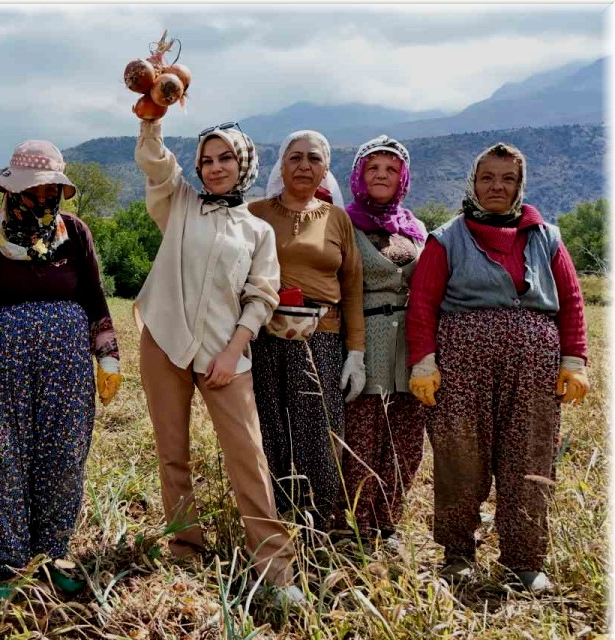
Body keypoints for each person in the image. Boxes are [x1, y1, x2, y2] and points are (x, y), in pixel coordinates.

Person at [133, 117, 303, 607]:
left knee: (247, 455)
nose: (215, 168)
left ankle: (275, 569)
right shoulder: (179, 203)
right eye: (206, 160)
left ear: (243, 162)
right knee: (172, 453)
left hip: (224, 354)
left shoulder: (257, 231)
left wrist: (233, 351)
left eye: (226, 157)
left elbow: (262, 296)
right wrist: (151, 121)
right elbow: (156, 163)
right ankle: (185, 549)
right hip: (164, 342)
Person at [405, 142, 588, 593]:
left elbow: (571, 300)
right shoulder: (446, 238)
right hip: (461, 365)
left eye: (507, 179)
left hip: (534, 368)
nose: (496, 187)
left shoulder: (546, 236)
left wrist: (574, 360)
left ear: (520, 185)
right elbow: (423, 304)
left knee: (529, 455)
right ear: (473, 182)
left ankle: (523, 560)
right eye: (487, 178)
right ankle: (457, 555)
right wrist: (423, 362)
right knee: (459, 455)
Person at [0, 140, 120, 595]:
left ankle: (53, 554)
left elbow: (94, 296)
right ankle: (10, 563)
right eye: (34, 189)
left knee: (64, 453)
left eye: (51, 189)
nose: (43, 197)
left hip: (66, 365)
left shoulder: (74, 232)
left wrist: (108, 357)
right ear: (12, 189)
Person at [247, 130, 365, 535]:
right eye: (294, 157)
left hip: (322, 339)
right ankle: (273, 523)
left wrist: (355, 352)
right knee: (269, 428)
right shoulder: (255, 213)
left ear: (325, 168)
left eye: (313, 158)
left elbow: (352, 286)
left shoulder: (338, 219)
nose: (303, 165)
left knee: (318, 433)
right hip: (263, 336)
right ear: (281, 166)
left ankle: (317, 527)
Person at [335, 135, 427, 548]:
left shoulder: (415, 229)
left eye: (391, 169)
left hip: (408, 344)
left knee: (404, 436)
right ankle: (353, 524)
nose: (381, 175)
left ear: (403, 178)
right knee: (361, 435)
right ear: (358, 175)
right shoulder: (343, 224)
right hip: (362, 340)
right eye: (372, 168)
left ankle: (388, 522)